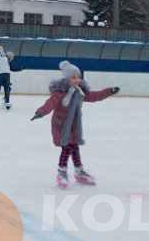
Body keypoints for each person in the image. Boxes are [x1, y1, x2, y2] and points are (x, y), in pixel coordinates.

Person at [31, 60, 118, 188]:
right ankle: (62, 172)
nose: (76, 80)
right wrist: (41, 112)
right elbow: (50, 104)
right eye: (73, 77)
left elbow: (94, 96)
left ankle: (79, 172)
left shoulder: (80, 92)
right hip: (61, 125)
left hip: (73, 125)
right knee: (66, 148)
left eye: (78, 77)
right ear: (66, 78)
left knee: (74, 147)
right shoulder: (60, 92)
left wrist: (109, 91)